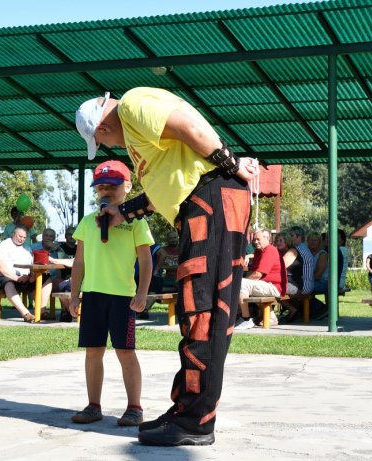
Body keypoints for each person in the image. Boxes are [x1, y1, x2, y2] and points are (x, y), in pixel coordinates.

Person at [76, 87, 257, 446]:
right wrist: (124, 211)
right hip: (200, 203)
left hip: (211, 199)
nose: (110, 146)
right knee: (196, 311)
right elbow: (168, 187)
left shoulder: (132, 105)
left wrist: (232, 164)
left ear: (101, 129)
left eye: (102, 141)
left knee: (204, 312)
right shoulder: (139, 134)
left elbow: (190, 125)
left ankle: (196, 421)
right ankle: (186, 408)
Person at [68, 160, 154, 428]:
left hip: (122, 298)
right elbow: (79, 262)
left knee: (125, 351)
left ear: (127, 187)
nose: (106, 191)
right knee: (93, 352)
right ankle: (94, 405)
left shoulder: (135, 223)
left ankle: (134, 407)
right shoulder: (86, 222)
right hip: (93, 295)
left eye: (112, 186)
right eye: (101, 186)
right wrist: (74, 295)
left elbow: (147, 260)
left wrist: (142, 293)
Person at [0, 225, 51, 322]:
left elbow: (32, 265)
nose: (22, 239)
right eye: (20, 236)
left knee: (46, 277)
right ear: (13, 234)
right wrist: (16, 278)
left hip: (24, 278)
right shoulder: (4, 245)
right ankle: (26, 313)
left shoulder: (27, 248)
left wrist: (32, 275)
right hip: (5, 277)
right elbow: (0, 267)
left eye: (24, 237)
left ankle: (41, 309)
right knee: (8, 283)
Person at [236, 229, 286, 329]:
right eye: (254, 239)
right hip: (267, 284)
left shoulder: (270, 250)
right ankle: (272, 317)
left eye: (258, 239)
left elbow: (258, 274)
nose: (255, 241)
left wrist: (242, 281)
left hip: (275, 287)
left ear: (267, 239)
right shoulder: (259, 252)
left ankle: (246, 319)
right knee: (241, 284)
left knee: (240, 284)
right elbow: (253, 272)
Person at [287, 226, 314, 295]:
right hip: (308, 285)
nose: (289, 238)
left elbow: (283, 266)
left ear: (299, 237)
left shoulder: (296, 250)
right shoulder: (304, 248)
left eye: (291, 236)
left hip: (303, 287)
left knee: (276, 288)